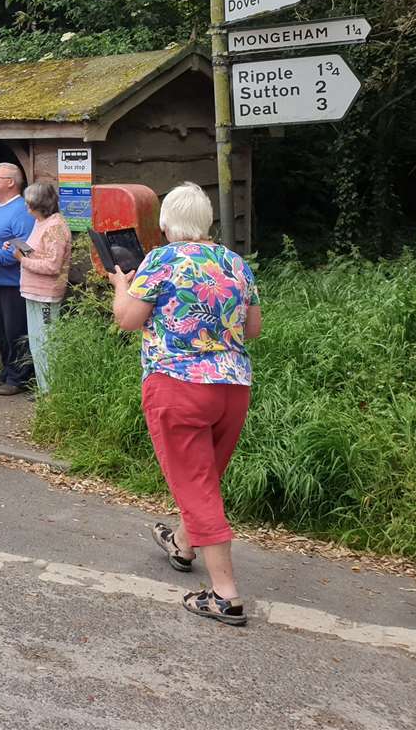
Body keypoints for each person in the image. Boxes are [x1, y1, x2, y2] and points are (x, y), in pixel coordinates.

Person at [110, 181, 261, 627]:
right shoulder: (235, 263)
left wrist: (124, 285)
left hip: (178, 385)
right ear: (208, 220)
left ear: (166, 222)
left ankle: (225, 594)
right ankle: (182, 543)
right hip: (232, 387)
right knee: (205, 477)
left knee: (195, 485)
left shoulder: (160, 259)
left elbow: (127, 320)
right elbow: (252, 328)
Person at [0, 162, 35, 395]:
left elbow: (26, 246)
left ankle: (19, 379)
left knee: (15, 332)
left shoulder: (22, 210)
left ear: (11, 182)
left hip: (12, 284)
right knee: (0, 333)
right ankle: (7, 371)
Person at [13, 181, 71, 394]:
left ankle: (51, 392)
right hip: (33, 290)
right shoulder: (41, 222)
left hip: (46, 294)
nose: (27, 208)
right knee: (37, 344)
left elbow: (53, 266)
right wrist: (19, 247)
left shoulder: (55, 226)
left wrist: (22, 259)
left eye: (30, 204)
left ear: (42, 205)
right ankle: (44, 389)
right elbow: (39, 253)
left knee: (47, 344)